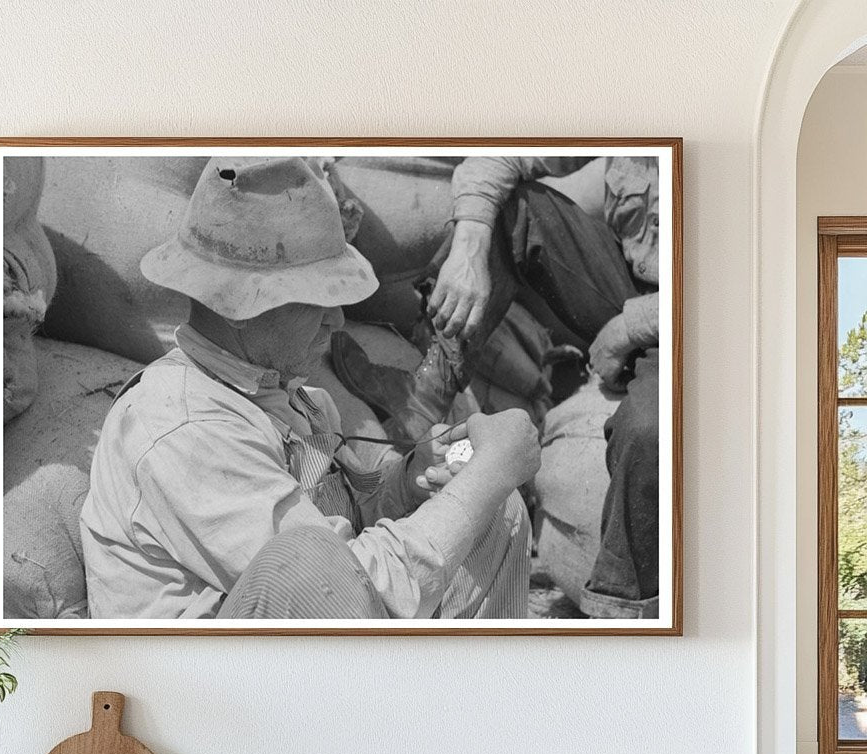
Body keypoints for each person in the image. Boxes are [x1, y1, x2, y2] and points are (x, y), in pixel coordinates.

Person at [79, 157, 540, 620]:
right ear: (241, 303)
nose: (337, 319)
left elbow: (344, 527)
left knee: (493, 511)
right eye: (315, 300)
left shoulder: (286, 398)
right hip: (201, 684)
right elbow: (340, 586)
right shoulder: (184, 428)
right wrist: (493, 471)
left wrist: (408, 483)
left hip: (303, 663)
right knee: (308, 555)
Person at [338, 155, 661, 619]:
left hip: (695, 319)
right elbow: (499, 157)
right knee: (512, 207)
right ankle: (422, 400)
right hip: (632, 285)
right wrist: (470, 243)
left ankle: (620, 611)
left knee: (648, 430)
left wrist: (632, 327)